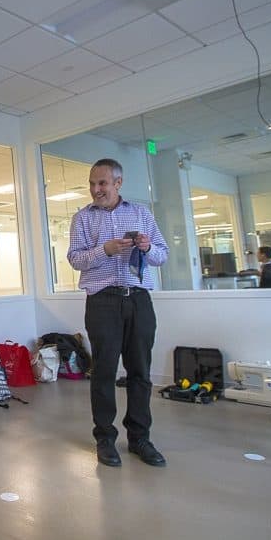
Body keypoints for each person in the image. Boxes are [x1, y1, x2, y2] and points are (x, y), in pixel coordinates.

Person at [67, 159, 169, 468]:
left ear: (118, 183)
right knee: (104, 371)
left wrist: (148, 247)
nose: (96, 190)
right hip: (103, 302)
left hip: (138, 299)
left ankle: (140, 438)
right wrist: (105, 250)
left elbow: (161, 256)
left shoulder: (141, 214)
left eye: (102, 183)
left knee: (140, 371)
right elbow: (75, 259)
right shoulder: (82, 218)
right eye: (92, 184)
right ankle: (105, 439)